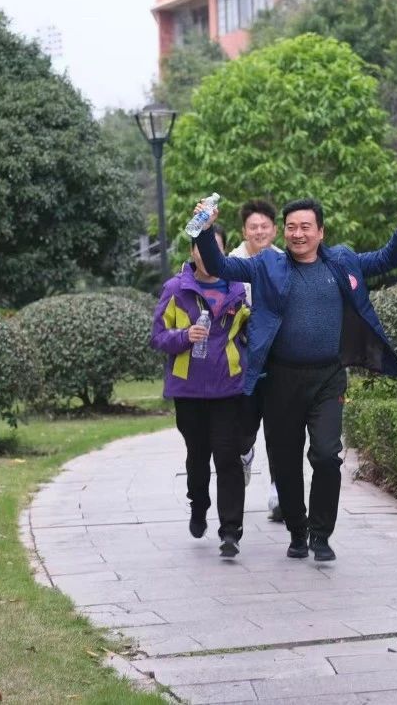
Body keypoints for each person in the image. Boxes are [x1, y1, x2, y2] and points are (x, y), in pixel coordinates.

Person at [194, 197, 397, 562]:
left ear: (320, 232)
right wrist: (205, 230)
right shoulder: (268, 264)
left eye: (305, 227)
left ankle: (321, 535)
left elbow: (385, 259)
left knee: (327, 455)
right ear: (283, 232)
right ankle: (297, 531)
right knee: (285, 464)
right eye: (291, 228)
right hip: (281, 380)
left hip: (328, 378)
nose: (298, 234)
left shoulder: (341, 261)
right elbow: (220, 265)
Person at [150, 224, 254, 559]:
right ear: (192, 251)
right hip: (189, 390)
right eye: (201, 247)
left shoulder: (238, 290)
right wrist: (184, 336)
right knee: (197, 456)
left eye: (214, 248)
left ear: (222, 252)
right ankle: (199, 504)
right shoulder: (176, 289)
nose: (207, 254)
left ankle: (231, 531)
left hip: (229, 388)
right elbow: (157, 337)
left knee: (227, 457)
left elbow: (252, 333)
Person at [229, 199, 284, 522]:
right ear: (244, 231)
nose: (259, 231)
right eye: (254, 227)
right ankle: (245, 453)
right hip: (244, 361)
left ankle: (278, 492)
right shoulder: (231, 264)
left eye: (265, 226)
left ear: (274, 230)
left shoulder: (284, 262)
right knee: (245, 428)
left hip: (278, 362)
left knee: (280, 429)